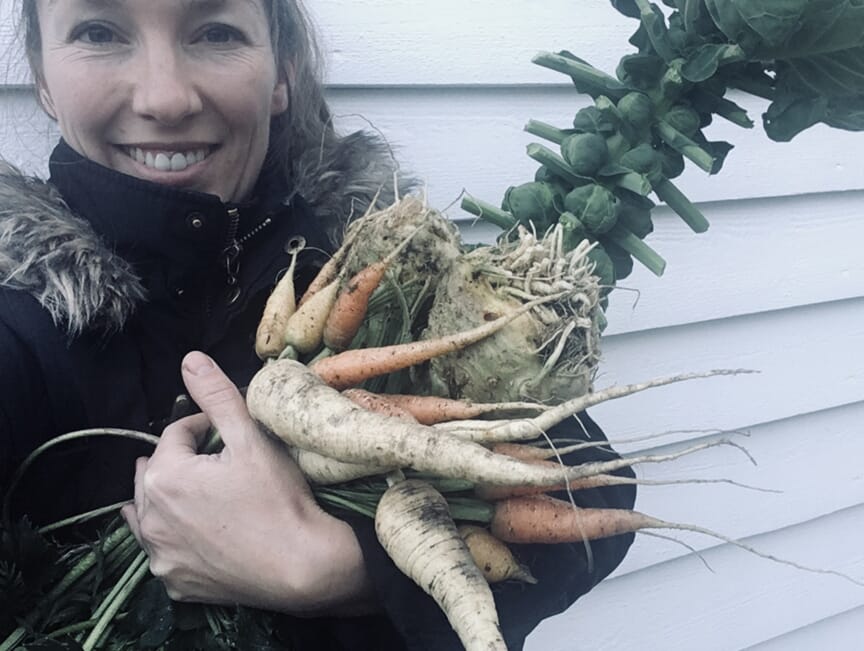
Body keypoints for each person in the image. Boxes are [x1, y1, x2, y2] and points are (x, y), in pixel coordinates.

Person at [0, 0, 636, 648]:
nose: (166, 97)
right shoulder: (15, 325)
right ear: (43, 79)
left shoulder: (379, 263)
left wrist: (330, 568)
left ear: (283, 75)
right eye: (100, 32)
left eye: (215, 31)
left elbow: (591, 493)